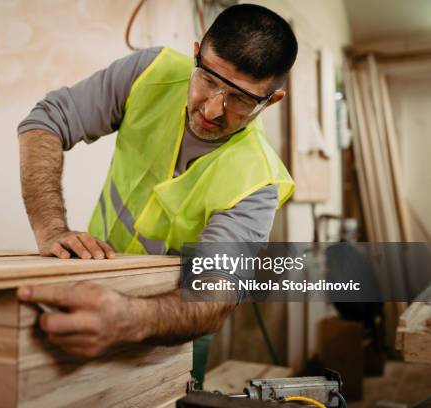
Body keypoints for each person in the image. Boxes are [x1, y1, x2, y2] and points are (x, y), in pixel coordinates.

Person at [16, 4, 297, 385]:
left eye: (242, 99)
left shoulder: (258, 180)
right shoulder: (148, 74)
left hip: (174, 324)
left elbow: (212, 297)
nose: (213, 109)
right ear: (196, 53)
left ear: (272, 100)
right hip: (93, 292)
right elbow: (45, 121)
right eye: (209, 79)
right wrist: (50, 229)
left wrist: (130, 319)